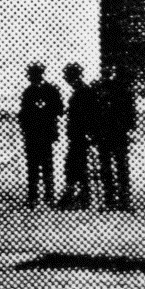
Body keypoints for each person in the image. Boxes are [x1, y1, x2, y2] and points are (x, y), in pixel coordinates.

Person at [17, 63, 64, 209]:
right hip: (32, 134)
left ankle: (49, 197)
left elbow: (60, 109)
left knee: (47, 166)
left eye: (33, 74)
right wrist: (26, 127)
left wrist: (45, 111)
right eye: (31, 74)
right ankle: (33, 197)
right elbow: (23, 113)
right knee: (33, 167)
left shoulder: (51, 90)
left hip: (45, 133)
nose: (31, 77)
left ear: (39, 74)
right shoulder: (28, 91)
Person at [94, 67, 136, 212]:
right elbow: (93, 113)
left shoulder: (123, 90)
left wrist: (130, 129)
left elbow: (130, 111)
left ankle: (124, 200)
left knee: (121, 167)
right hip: (103, 135)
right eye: (104, 74)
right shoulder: (97, 89)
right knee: (106, 168)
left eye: (109, 74)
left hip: (119, 133)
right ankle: (109, 200)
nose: (107, 77)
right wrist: (94, 132)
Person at [59, 64, 97, 210]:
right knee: (73, 165)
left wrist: (90, 133)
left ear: (74, 76)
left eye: (68, 77)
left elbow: (91, 114)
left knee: (77, 166)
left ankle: (81, 197)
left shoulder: (84, 92)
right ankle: (78, 196)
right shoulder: (79, 91)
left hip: (82, 135)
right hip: (76, 135)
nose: (66, 80)